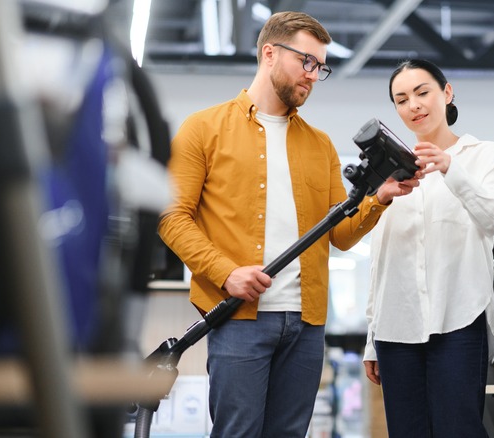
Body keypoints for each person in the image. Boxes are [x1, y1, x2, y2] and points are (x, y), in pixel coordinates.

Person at [157, 12, 419, 438]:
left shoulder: (319, 145)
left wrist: (380, 200)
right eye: (307, 62)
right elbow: (171, 217)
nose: (314, 76)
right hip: (238, 316)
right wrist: (227, 272)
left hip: (306, 322)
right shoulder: (203, 129)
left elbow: (340, 235)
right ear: (269, 53)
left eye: (321, 68)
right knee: (238, 432)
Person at [363, 59, 494, 437]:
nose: (412, 105)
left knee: (458, 428)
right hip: (396, 328)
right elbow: (380, 260)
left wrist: (451, 168)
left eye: (422, 92)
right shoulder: (389, 172)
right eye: (401, 99)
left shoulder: (483, 155)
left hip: (459, 319)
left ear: (446, 93)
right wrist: (371, 338)